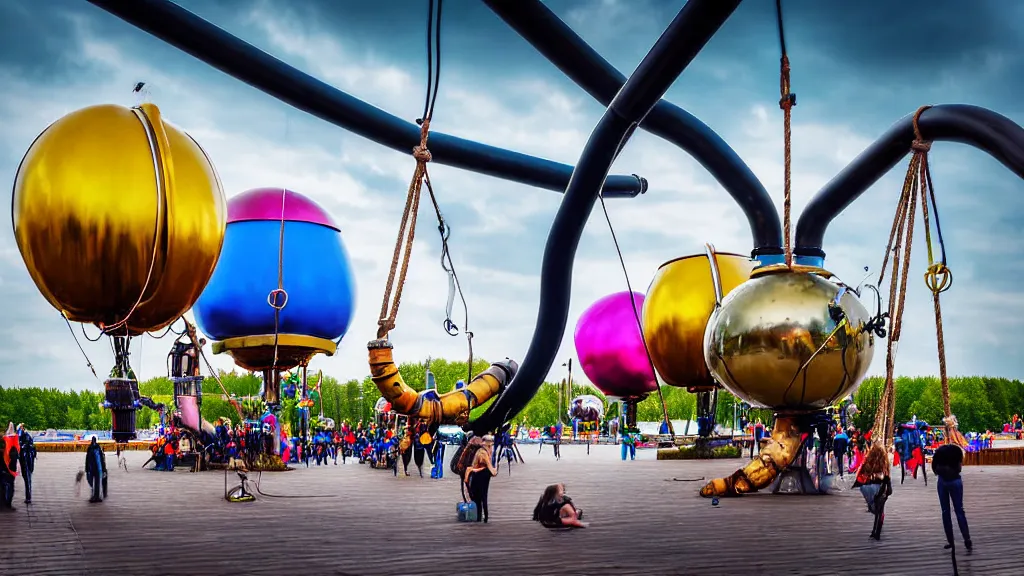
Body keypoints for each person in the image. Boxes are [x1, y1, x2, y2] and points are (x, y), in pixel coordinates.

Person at [932, 443, 972, 554]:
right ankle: (966, 538)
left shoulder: (939, 453)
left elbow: (934, 467)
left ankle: (950, 541)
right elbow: (959, 468)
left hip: (942, 481)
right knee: (959, 510)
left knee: (945, 512)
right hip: (955, 481)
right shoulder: (956, 452)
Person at [852, 443, 892, 540]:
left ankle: (874, 531)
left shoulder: (868, 461)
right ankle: (877, 531)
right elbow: (887, 477)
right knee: (880, 511)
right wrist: (889, 488)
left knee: (875, 509)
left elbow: (860, 474)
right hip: (881, 488)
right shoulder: (884, 462)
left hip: (868, 488)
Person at [464, 435, 498, 523]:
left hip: (479, 475)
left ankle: (481, 517)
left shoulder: (481, 451)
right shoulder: (483, 452)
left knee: (478, 497)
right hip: (482, 474)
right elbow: (488, 464)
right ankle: (483, 517)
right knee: (482, 497)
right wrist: (494, 472)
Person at [1, 422, 19, 510]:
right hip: (7, 467)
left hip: (7, 467)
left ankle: (5, 504)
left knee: (6, 485)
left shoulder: (6, 440)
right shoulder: (9, 441)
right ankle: (7, 504)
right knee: (8, 485)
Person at [84, 435, 108, 503]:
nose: (93, 441)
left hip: (97, 468)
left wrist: (103, 469)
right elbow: (87, 459)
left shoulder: (98, 449)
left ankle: (96, 496)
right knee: (91, 483)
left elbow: (101, 460)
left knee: (97, 483)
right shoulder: (91, 448)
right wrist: (87, 469)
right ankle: (93, 496)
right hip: (92, 468)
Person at [17, 424, 36, 504]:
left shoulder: (24, 436)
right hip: (28, 459)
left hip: (26, 459)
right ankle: (28, 496)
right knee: (28, 478)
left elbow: (22, 447)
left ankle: (28, 497)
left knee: (27, 478)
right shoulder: (26, 436)